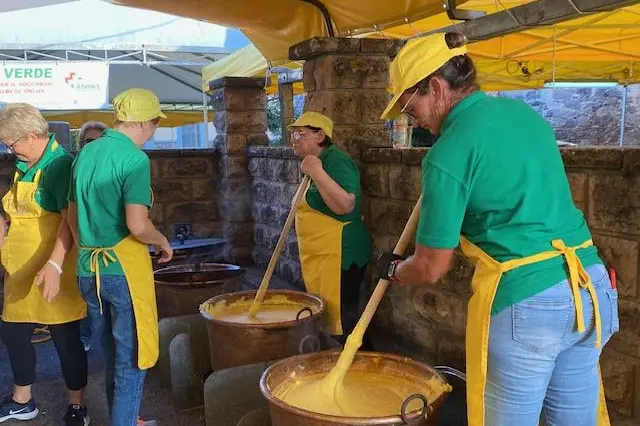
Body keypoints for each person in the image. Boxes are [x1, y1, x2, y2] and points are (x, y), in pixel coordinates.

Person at [376, 32, 618, 426]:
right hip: (590, 291)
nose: (409, 116)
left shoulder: (448, 153)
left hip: (529, 303)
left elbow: (433, 266)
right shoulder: (526, 116)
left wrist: (395, 269)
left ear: (435, 88)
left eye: (409, 103)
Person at [67, 88, 173, 426]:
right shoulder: (135, 159)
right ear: (142, 121)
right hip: (122, 272)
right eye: (155, 124)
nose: (154, 132)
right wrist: (161, 240)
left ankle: (128, 418)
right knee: (132, 361)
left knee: (112, 356)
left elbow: (71, 217)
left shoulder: (86, 152)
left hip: (87, 270)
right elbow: (137, 225)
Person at [0, 103, 89, 425]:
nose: (10, 151)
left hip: (54, 267)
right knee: (12, 332)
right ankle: (22, 400)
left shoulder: (59, 165)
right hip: (21, 270)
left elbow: (69, 221)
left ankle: (77, 404)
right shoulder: (26, 164)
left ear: (34, 135)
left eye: (12, 144)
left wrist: (54, 266)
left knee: (66, 337)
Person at [288, 112, 373, 349]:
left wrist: (316, 171)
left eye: (299, 134)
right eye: (292, 135)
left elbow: (346, 205)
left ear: (320, 135)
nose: (293, 139)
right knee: (332, 316)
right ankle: (341, 363)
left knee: (344, 321)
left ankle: (363, 367)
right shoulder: (315, 163)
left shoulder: (336, 161)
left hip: (341, 254)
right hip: (324, 255)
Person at [75, 120, 109, 352]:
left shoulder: (114, 170)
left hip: (110, 253)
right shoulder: (76, 168)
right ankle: (84, 340)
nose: (94, 145)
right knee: (89, 303)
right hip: (84, 251)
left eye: (99, 141)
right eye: (89, 141)